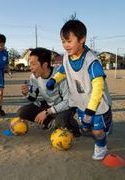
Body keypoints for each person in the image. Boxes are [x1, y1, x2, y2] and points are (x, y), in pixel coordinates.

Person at [46, 19, 112, 160]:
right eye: (63, 41)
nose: (65, 45)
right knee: (87, 128)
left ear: (82, 39)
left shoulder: (91, 61)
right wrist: (54, 79)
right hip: (81, 102)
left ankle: (101, 145)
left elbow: (98, 87)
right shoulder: (66, 57)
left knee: (98, 130)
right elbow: (64, 70)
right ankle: (99, 132)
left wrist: (91, 110)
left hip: (97, 105)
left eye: (69, 41)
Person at [17, 48, 80, 137]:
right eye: (30, 64)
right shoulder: (34, 77)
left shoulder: (59, 75)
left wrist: (46, 112)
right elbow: (33, 97)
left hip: (66, 106)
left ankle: (73, 127)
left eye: (33, 64)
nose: (30, 67)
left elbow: (68, 101)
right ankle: (51, 122)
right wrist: (27, 93)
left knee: (61, 121)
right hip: (49, 104)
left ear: (45, 65)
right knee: (22, 112)